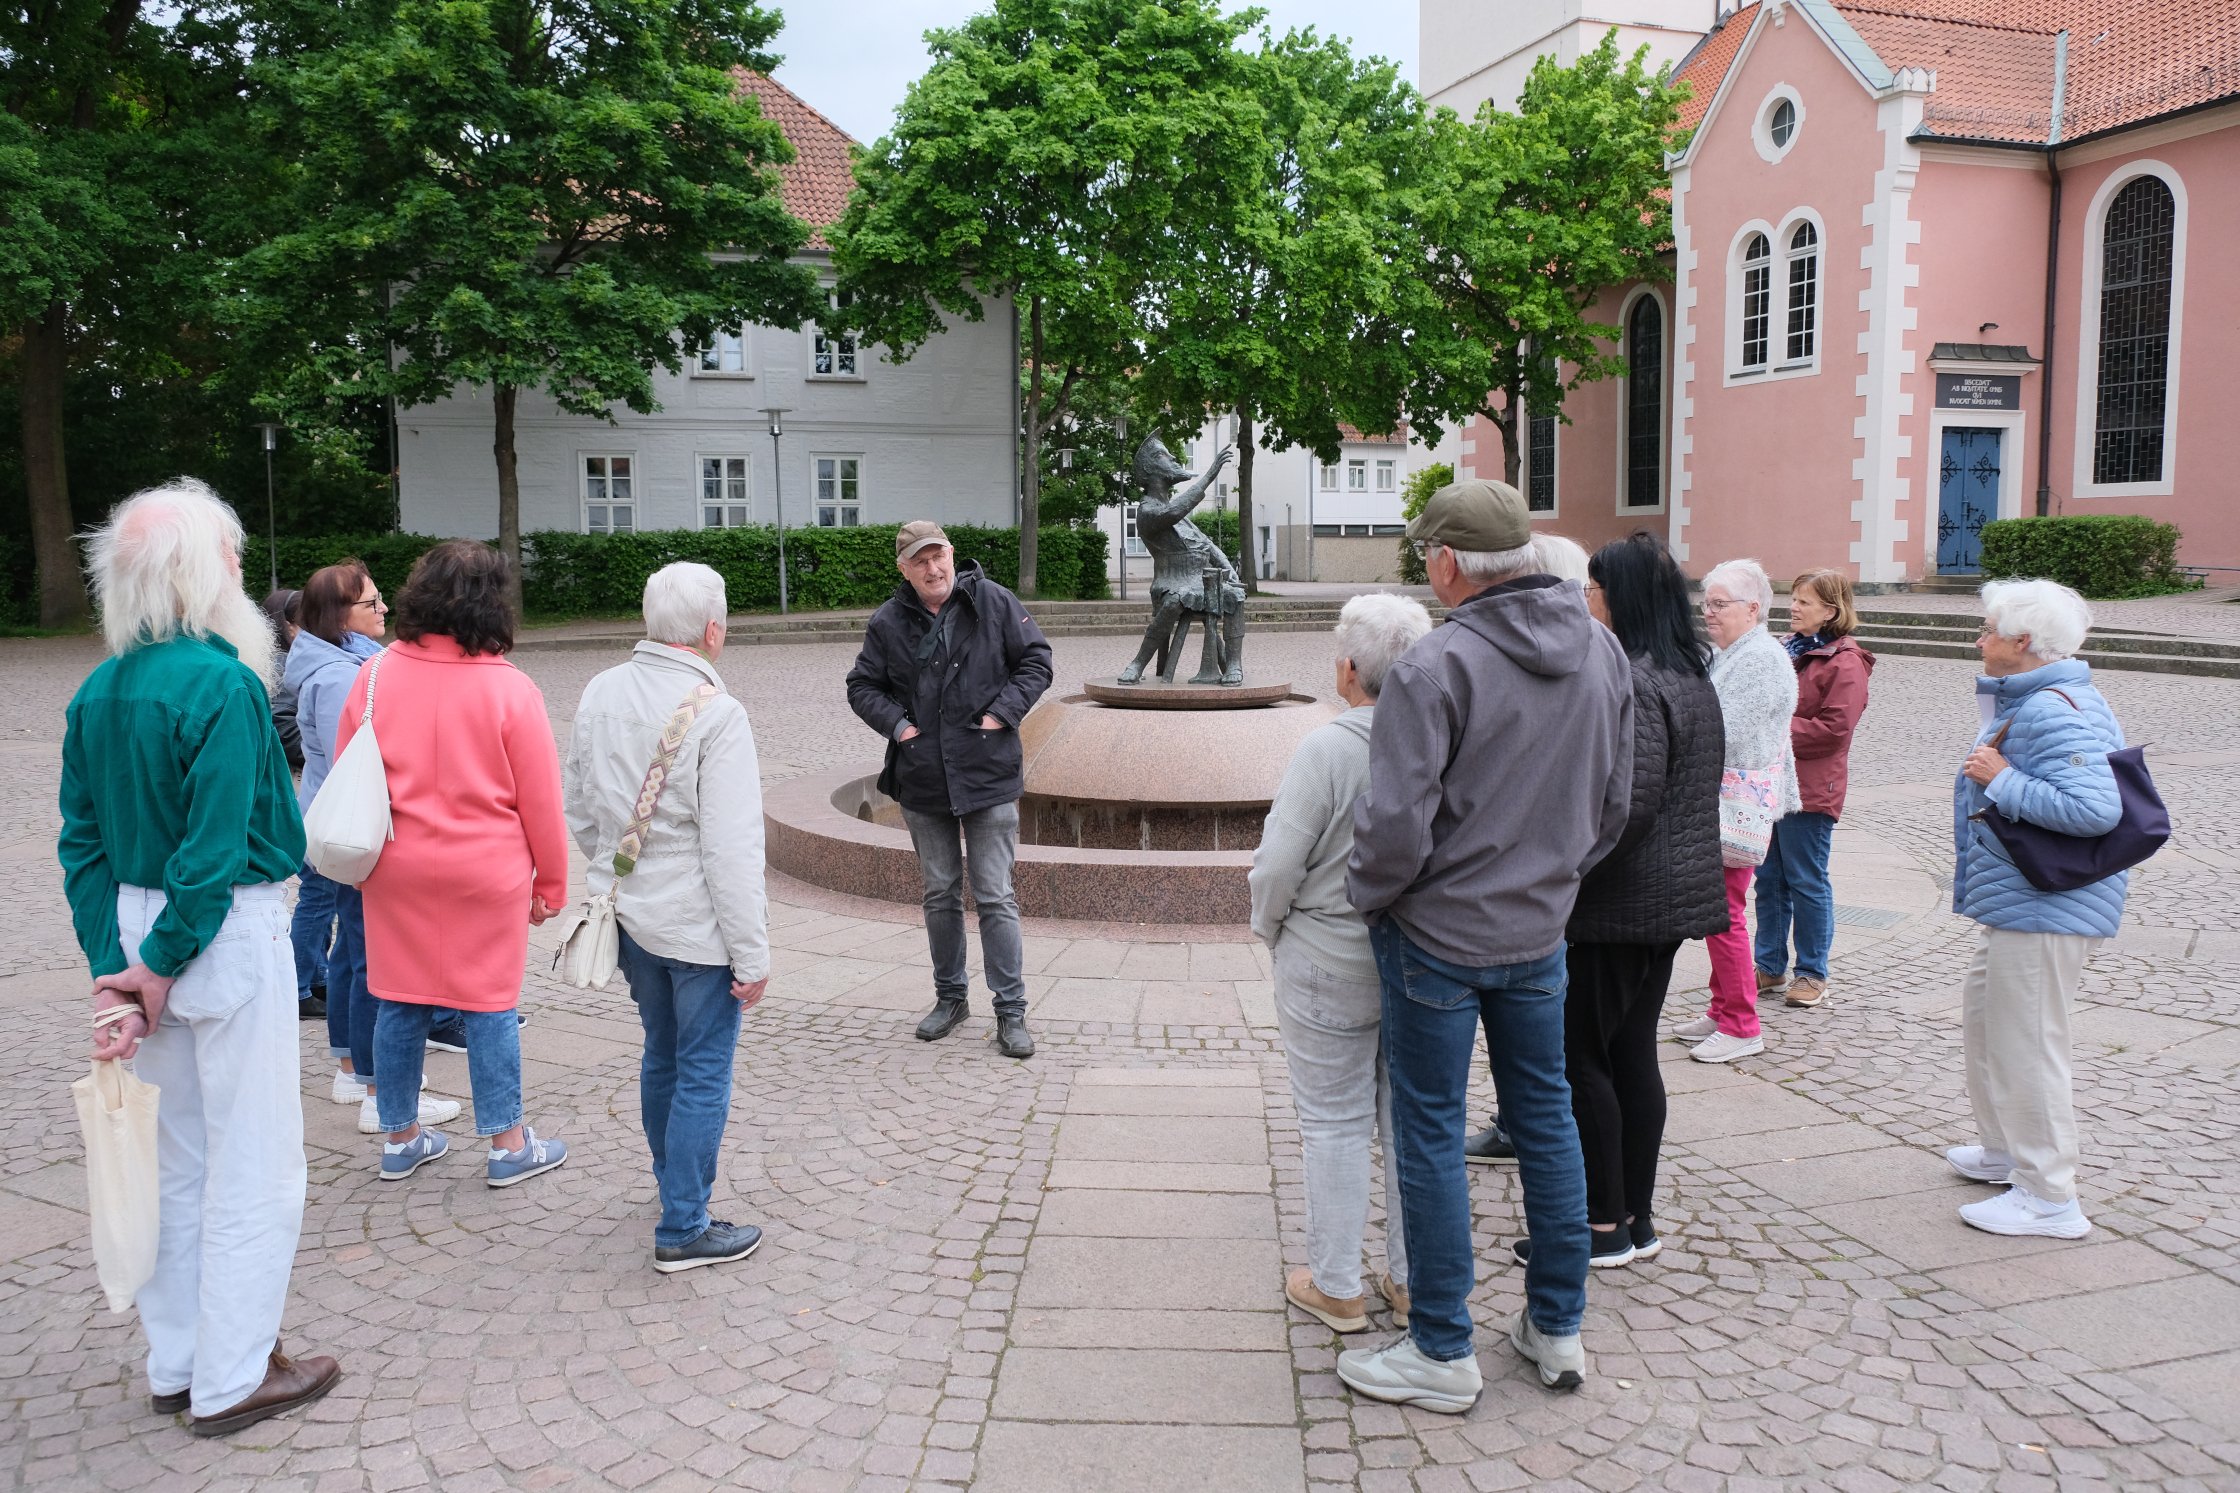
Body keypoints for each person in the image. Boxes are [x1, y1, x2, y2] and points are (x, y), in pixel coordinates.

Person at [1336, 479, 1632, 1412]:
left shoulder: (1435, 666)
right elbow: (1613, 804)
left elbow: (1392, 830)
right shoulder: (1602, 648)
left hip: (1438, 934)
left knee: (1428, 1131)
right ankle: (1556, 1323)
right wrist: (1554, 878)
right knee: (1546, 1119)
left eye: (1428, 553)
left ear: (1449, 562)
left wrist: (1372, 900)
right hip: (1539, 928)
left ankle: (1441, 1348)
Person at [62, 478, 341, 1436]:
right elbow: (218, 846)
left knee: (176, 1160)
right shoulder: (221, 679)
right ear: (197, 571)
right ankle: (231, 1374)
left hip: (146, 929)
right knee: (255, 1161)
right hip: (222, 929)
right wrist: (162, 960)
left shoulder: (97, 689)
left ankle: (177, 1358)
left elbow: (83, 844)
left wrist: (120, 965)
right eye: (228, 553)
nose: (238, 568)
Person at [1509, 533, 1727, 1269]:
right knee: (1631, 1055)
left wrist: (1564, 868)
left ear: (1620, 597)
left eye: (1593, 588)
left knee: (1583, 1059)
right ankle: (1636, 1217)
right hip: (1666, 902)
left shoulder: (1634, 678)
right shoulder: (1689, 673)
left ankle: (1601, 1222)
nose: (1584, 599)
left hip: (1619, 905)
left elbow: (1626, 806)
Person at [341, 540, 570, 1187]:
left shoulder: (375, 675)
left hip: (395, 866)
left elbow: (347, 774)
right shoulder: (509, 688)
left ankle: (401, 1135)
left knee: (399, 998)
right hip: (485, 870)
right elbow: (540, 799)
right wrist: (550, 881)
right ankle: (507, 1143)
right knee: (489, 1003)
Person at [566, 563, 772, 1273]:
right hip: (699, 929)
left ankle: (670, 1183)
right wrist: (753, 954)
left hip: (628, 919)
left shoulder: (598, 691)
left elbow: (581, 807)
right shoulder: (717, 711)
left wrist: (612, 876)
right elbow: (732, 850)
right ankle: (684, 1223)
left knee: (662, 1052)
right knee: (704, 1069)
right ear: (714, 631)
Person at [1250, 592, 1433, 1335]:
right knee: (1409, 1120)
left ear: (1350, 668)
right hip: (1419, 955)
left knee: (1333, 1119)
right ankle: (1412, 1278)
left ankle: (1337, 1285)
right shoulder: (1435, 740)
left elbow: (1276, 866)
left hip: (1327, 952)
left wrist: (1272, 929)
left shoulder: (1329, 746)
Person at [1946, 579, 2126, 1239]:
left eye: (1989, 629)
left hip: (2049, 904)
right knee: (1988, 1028)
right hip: (2023, 901)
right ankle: (2004, 1153)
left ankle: (2049, 1196)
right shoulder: (2040, 696)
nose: (1979, 639)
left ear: (2023, 643)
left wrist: (2004, 779)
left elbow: (2095, 809)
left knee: (2029, 1045)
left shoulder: (2054, 707)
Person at [846, 522, 1054, 1059]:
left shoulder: (994, 602)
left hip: (987, 774)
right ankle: (951, 998)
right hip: (922, 777)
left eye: (938, 557)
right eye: (920, 561)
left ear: (952, 555)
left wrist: (1000, 716)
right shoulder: (889, 622)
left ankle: (1011, 1011)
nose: (933, 569)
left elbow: (1036, 661)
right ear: (904, 569)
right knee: (939, 894)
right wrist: (900, 727)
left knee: (995, 896)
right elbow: (861, 685)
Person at [285, 561, 462, 1136]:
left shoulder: (339, 660)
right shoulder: (342, 674)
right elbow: (360, 763)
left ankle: (350, 1068)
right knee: (370, 961)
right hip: (356, 834)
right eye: (372, 603)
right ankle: (375, 1089)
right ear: (340, 616)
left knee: (350, 955)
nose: (384, 610)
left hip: (335, 828)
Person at [1672, 558, 1798, 1064]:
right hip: (1724, 803)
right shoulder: (1733, 652)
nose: (1709, 613)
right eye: (1707, 603)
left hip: (1734, 807)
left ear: (1753, 608)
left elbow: (1726, 732)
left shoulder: (1761, 658)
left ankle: (1743, 1023)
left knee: (1725, 914)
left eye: (1719, 604)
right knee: (1720, 911)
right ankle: (1723, 1008)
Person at [1754, 569, 1874, 1009]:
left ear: (1831, 610)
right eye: (1795, 598)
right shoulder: (1788, 651)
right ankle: (1768, 965)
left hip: (1810, 789)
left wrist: (1769, 728)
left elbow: (1834, 729)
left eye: (1805, 601)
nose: (1794, 607)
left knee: (1806, 880)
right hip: (1772, 784)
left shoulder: (1845, 661)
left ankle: (1812, 973)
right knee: (1768, 879)